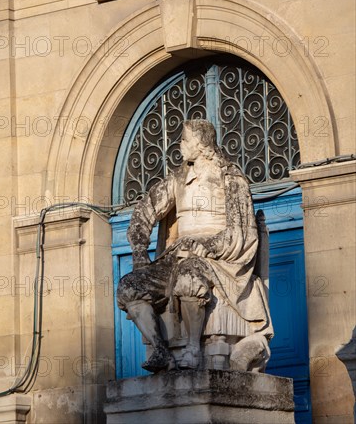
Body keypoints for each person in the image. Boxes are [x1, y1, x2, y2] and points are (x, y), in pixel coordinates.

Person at [117, 119, 273, 372]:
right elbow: (144, 212)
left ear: (200, 144)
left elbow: (241, 231)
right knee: (129, 287)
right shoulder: (179, 178)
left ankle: (192, 349)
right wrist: (138, 250)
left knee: (188, 276)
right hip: (176, 256)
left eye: (184, 140)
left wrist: (208, 244)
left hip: (219, 258)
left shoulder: (231, 178)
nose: (180, 146)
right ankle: (160, 351)